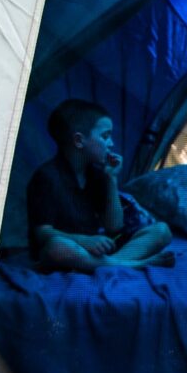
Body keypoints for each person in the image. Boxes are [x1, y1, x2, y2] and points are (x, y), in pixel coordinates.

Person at [27, 99, 173, 272]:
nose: (111, 143)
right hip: (70, 249)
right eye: (105, 136)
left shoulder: (96, 174)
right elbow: (42, 233)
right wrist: (83, 240)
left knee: (161, 231)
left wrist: (111, 179)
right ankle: (132, 264)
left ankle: (108, 265)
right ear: (79, 141)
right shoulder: (46, 177)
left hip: (92, 252)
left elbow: (114, 226)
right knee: (57, 246)